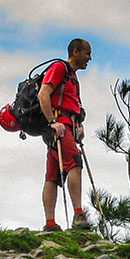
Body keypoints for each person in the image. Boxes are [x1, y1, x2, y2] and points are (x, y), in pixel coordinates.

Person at [39, 38, 92, 231]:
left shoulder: (72, 76)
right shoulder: (59, 68)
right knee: (75, 164)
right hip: (59, 128)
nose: (90, 58)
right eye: (87, 53)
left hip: (66, 127)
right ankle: (78, 215)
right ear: (76, 52)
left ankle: (50, 224)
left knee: (52, 175)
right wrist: (53, 122)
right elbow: (43, 94)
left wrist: (79, 125)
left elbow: (72, 105)